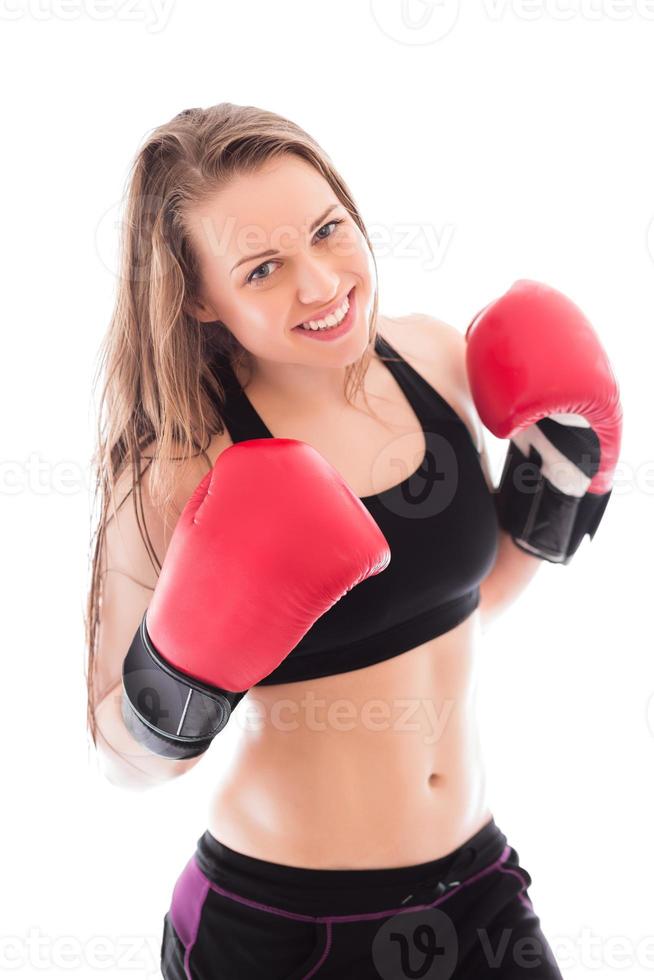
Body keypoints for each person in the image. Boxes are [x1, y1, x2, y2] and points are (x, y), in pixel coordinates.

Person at [86, 103, 620, 979]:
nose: (321, 284)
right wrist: (187, 670)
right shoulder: (180, 467)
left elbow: (460, 603)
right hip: (281, 928)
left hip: (477, 887)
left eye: (328, 231)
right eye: (263, 269)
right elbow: (120, 760)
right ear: (198, 298)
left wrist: (560, 477)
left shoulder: (437, 360)